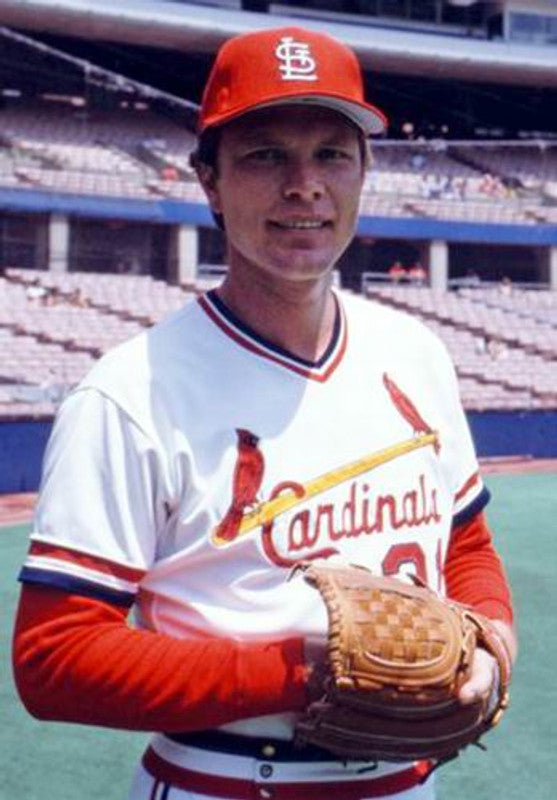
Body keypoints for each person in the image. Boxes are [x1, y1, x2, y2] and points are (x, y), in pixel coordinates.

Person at [12, 26, 517, 800]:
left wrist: (490, 639)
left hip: (408, 783)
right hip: (224, 778)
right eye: (264, 156)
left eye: (330, 154)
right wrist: (304, 670)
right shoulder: (129, 392)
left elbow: (468, 545)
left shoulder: (414, 352)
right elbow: (55, 657)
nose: (303, 185)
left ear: (363, 172)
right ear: (209, 182)